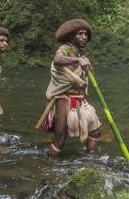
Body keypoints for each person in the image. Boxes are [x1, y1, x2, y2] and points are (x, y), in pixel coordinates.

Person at [35, 19, 101, 155]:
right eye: (80, 34)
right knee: (60, 138)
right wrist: (78, 60)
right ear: (71, 36)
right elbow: (58, 60)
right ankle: (47, 163)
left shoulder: (81, 54)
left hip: (81, 100)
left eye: (86, 34)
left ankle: (93, 162)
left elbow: (88, 73)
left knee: (95, 131)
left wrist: (87, 64)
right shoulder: (65, 49)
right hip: (64, 100)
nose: (84, 37)